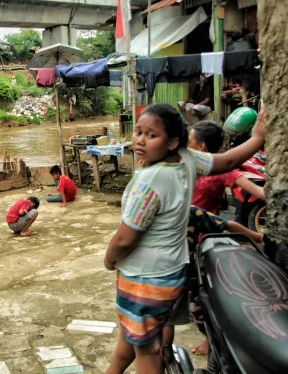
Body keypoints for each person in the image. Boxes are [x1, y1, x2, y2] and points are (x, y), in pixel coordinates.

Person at [104, 103, 265, 374]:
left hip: (144, 278)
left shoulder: (150, 182)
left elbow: (125, 239)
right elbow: (227, 161)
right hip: (172, 271)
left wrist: (109, 260)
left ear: (172, 142)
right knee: (132, 334)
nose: (140, 141)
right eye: (137, 132)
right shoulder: (187, 159)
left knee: (148, 349)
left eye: (151, 135)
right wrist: (258, 138)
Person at [161, 205, 263, 356]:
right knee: (177, 316)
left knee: (166, 320)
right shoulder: (188, 210)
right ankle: (165, 352)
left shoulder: (149, 211)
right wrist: (259, 238)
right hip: (182, 272)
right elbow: (228, 225)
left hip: (159, 273)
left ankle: (163, 353)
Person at [189, 120, 265, 215]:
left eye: (189, 141)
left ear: (201, 146)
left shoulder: (224, 170)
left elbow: (260, 192)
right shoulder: (224, 170)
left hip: (203, 227)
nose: (186, 145)